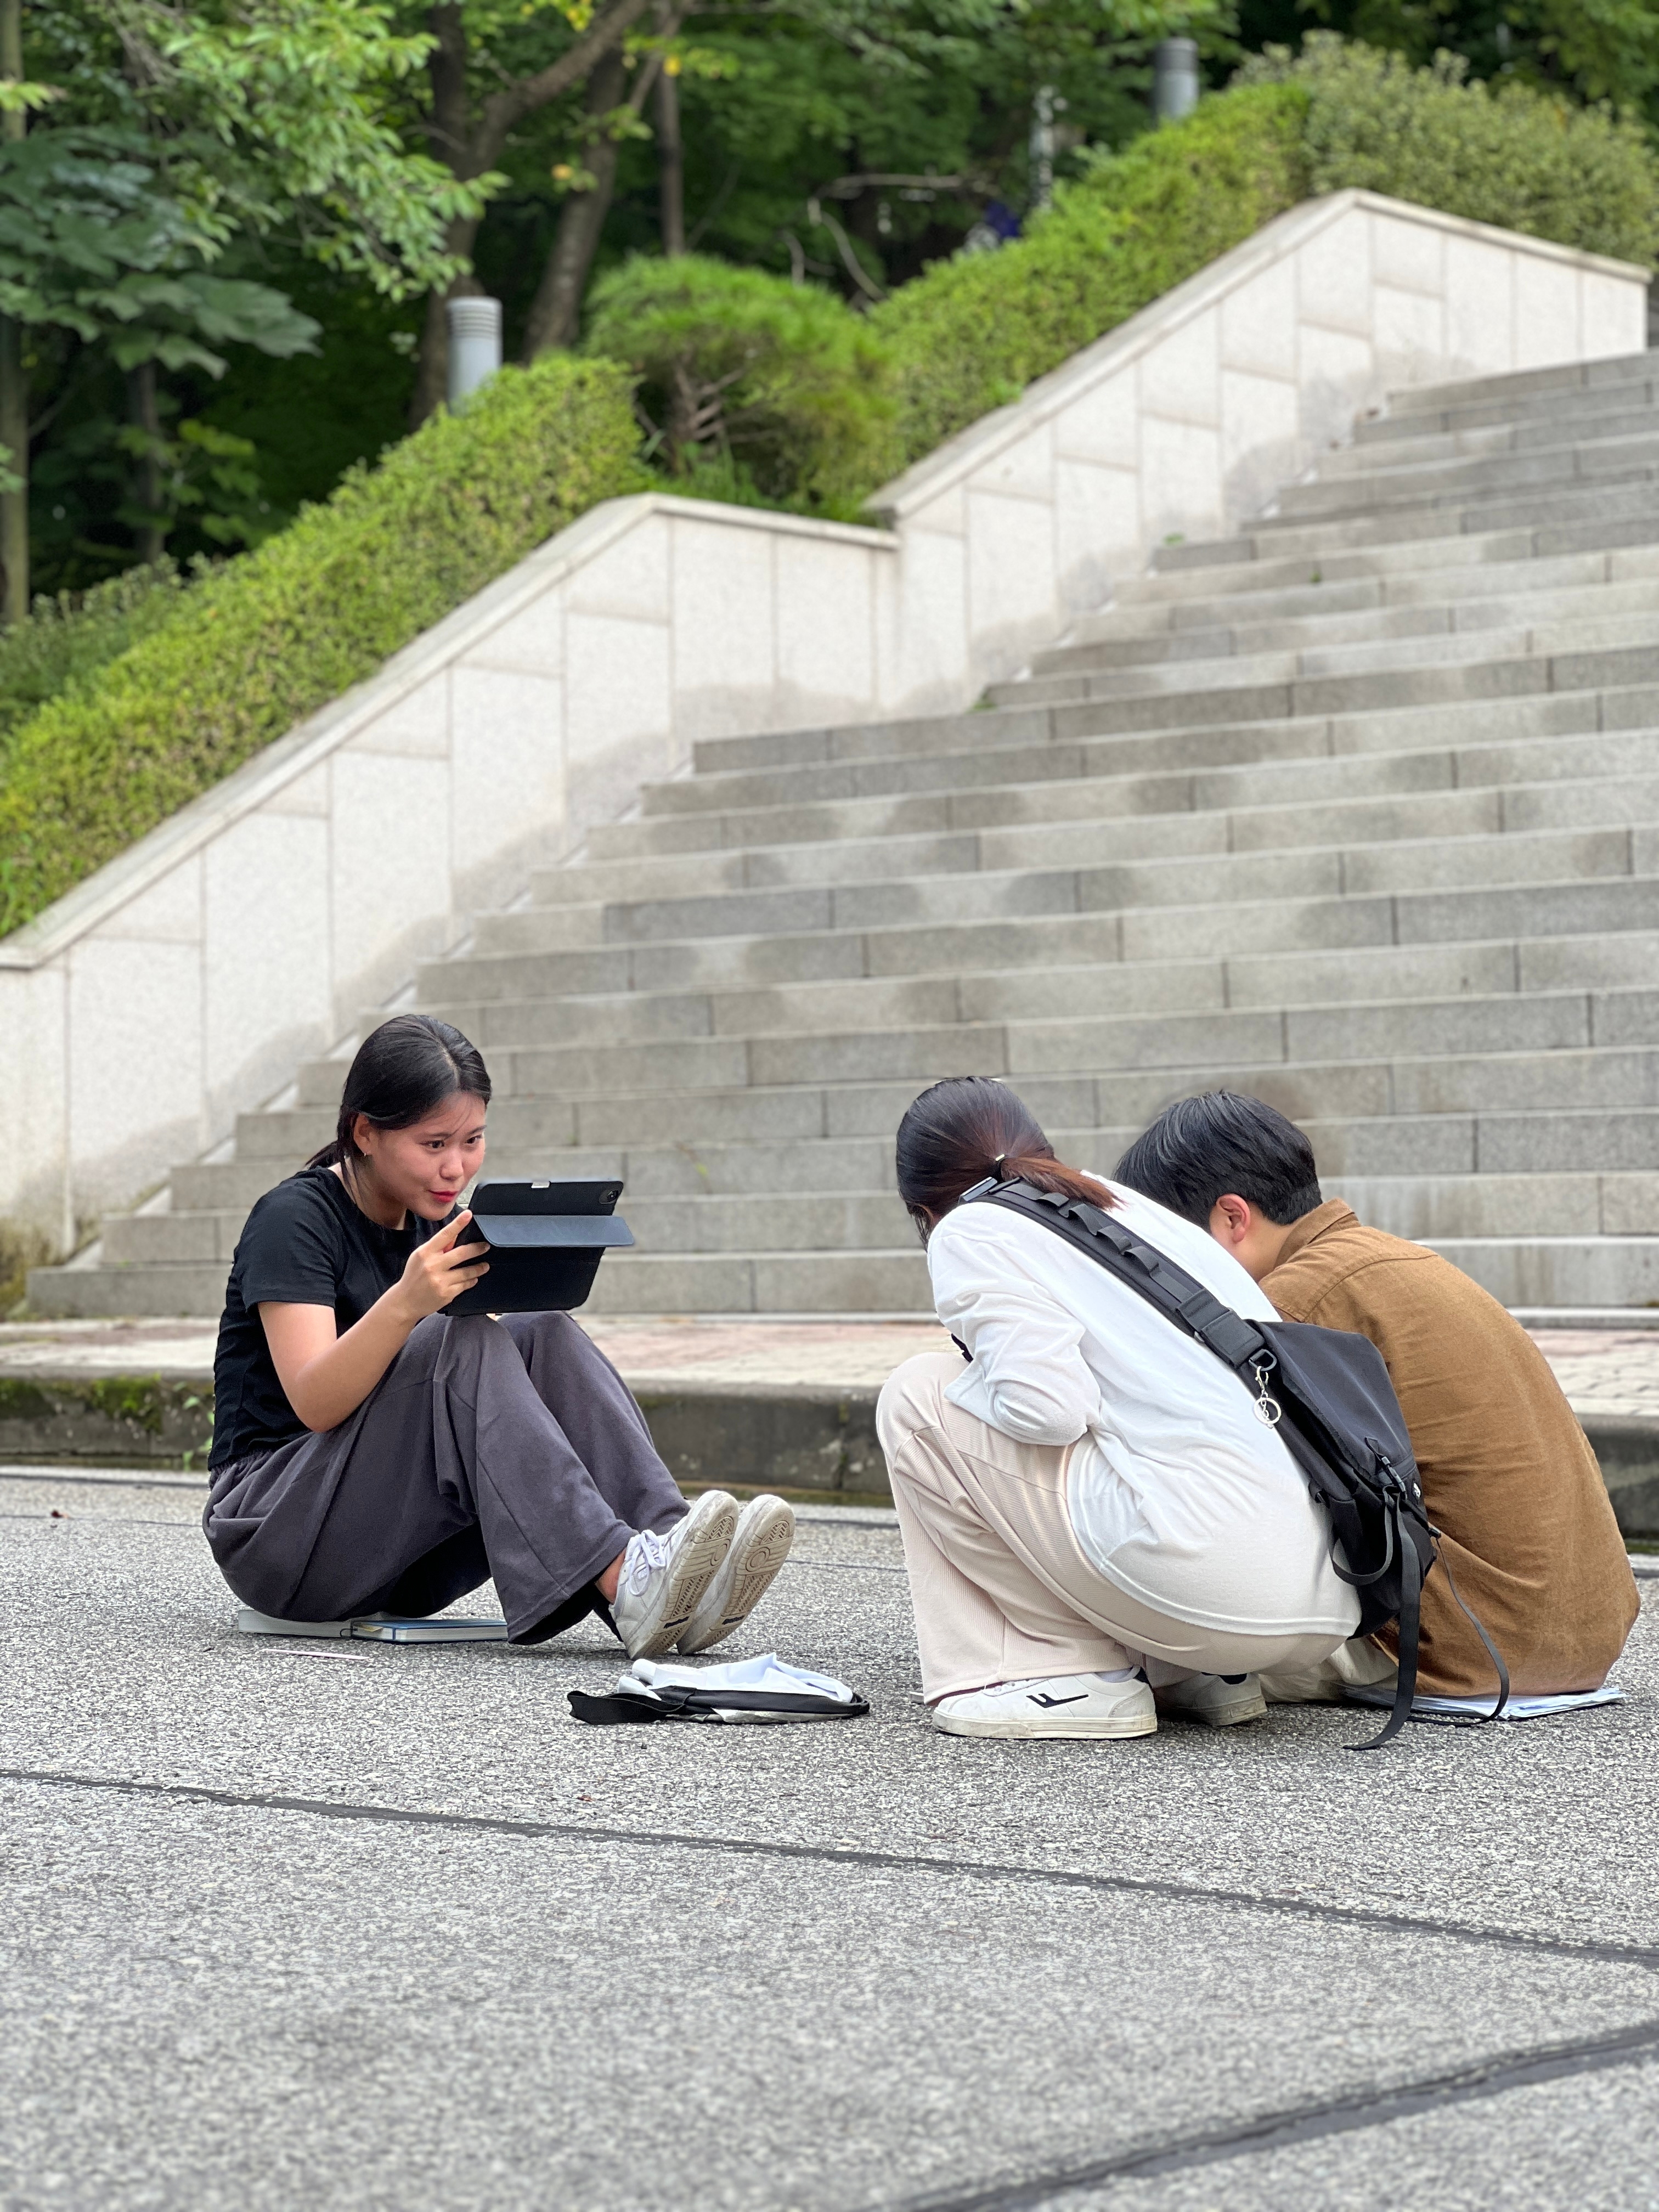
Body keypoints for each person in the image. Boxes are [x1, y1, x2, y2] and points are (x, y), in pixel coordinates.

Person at [205, 1013, 793, 1655]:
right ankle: (628, 1581)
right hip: (274, 1532)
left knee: (541, 1329)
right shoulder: (294, 1219)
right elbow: (313, 1401)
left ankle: (676, 1565)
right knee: (459, 1343)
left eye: (472, 1140)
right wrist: (408, 1302)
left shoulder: (443, 1226)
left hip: (399, 1550)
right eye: (434, 1145)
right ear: (365, 1132)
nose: (455, 1168)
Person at [874, 1076, 1362, 1741]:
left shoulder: (972, 1227)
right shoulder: (1131, 1207)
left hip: (1213, 1589)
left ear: (922, 1209)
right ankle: (1181, 1674)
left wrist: (969, 1379)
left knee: (916, 1396)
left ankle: (1061, 1674)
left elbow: (1046, 1411)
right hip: (1326, 1597)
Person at [1113, 1090, 1639, 1703]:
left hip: (1471, 1648)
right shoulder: (1388, 1259)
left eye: (1176, 1249)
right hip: (1579, 1637)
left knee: (1136, 1618)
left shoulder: (1291, 1304)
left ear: (1233, 1219)